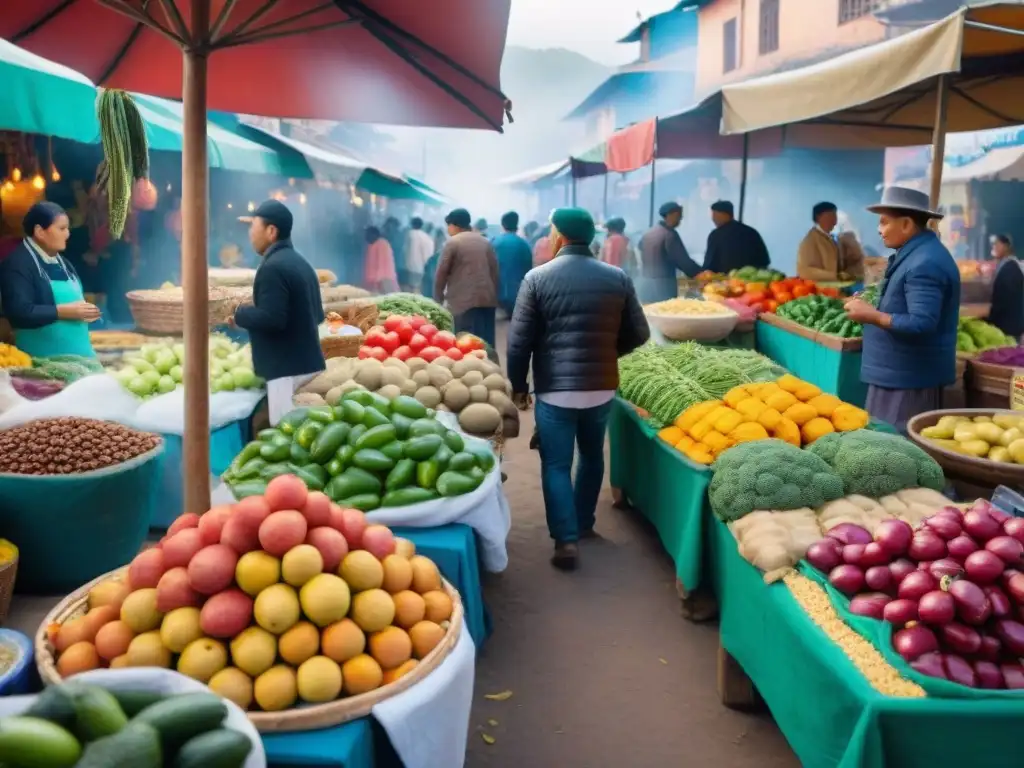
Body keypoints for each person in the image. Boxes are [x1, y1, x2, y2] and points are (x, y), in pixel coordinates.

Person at [507, 208, 649, 570]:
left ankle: (566, 541)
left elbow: (519, 343)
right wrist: (605, 352)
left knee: (555, 463)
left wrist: (520, 387)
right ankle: (584, 524)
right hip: (600, 388)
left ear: (560, 235)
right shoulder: (617, 277)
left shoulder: (537, 278)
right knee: (591, 455)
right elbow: (639, 333)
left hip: (554, 390)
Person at [844, 187, 960, 433]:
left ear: (907, 224)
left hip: (907, 380)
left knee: (895, 452)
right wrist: (870, 304)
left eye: (884, 222)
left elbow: (921, 322)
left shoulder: (925, 262)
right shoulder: (917, 254)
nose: (879, 229)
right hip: (896, 375)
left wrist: (871, 315)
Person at [233, 200, 325, 426]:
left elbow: (273, 318)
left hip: (284, 368)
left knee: (283, 433)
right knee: (293, 429)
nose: (250, 234)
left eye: (253, 226)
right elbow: (318, 314)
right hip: (306, 363)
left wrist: (238, 314)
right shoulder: (301, 263)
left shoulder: (273, 267)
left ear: (271, 231)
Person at [0, 202, 99, 358]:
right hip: (45, 362)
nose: (67, 234)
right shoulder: (17, 264)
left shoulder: (63, 262)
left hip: (82, 358)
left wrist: (84, 311)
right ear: (40, 232)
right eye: (61, 228)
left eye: (67, 228)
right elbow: (19, 312)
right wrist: (64, 311)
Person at [434, 208, 499, 347]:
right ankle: (490, 367)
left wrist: (438, 299)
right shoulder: (485, 242)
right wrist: (494, 296)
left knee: (465, 344)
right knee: (486, 342)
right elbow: (494, 271)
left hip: (463, 303)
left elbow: (441, 273)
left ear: (455, 225)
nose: (448, 229)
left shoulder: (453, 243)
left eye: (449, 225)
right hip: (487, 301)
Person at [637, 201, 701, 303]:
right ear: (672, 214)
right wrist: (701, 274)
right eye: (679, 215)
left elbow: (640, 248)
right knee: (664, 315)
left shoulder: (648, 233)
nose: (681, 219)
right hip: (664, 285)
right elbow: (683, 261)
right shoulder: (669, 235)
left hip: (646, 284)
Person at [798, 202, 864, 282]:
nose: (835, 222)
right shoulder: (809, 241)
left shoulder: (832, 238)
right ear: (819, 217)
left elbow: (848, 263)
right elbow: (805, 271)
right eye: (831, 217)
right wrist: (835, 276)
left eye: (835, 217)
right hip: (821, 289)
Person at [703, 200, 771, 275]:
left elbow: (708, 266)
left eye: (715, 215)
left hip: (723, 282)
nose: (713, 219)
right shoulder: (752, 232)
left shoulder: (715, 235)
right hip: (752, 282)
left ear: (725, 214)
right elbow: (764, 261)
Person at [491, 211, 533, 318]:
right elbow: (529, 268)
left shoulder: (494, 242)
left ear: (502, 225)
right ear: (517, 225)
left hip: (497, 294)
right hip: (519, 294)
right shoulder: (524, 244)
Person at [986, 234, 1024, 340]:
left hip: (1009, 326)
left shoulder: (1011, 268)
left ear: (1007, 246)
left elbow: (1004, 298)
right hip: (1009, 324)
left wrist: (991, 318)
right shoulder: (1006, 265)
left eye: (997, 244)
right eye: (993, 245)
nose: (994, 247)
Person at [363, 226, 398, 294]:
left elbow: (381, 263)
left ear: (374, 234)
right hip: (376, 280)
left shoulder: (382, 244)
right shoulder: (372, 245)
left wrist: (376, 281)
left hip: (384, 279)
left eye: (367, 234)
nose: (365, 237)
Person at [404, 217, 434, 294]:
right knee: (417, 289)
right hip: (420, 268)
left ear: (412, 224)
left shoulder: (408, 234)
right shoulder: (427, 237)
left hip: (407, 267)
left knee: (408, 288)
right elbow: (429, 255)